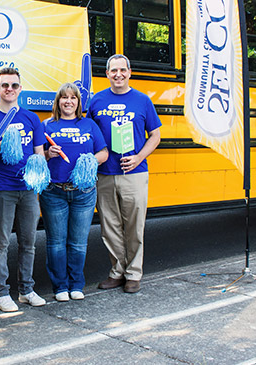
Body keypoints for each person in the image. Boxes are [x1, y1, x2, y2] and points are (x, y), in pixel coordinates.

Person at [86, 54, 161, 294]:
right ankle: (117, 272)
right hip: (105, 173)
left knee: (134, 225)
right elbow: (88, 133)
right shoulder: (97, 101)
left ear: (129, 72)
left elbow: (156, 135)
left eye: (122, 70)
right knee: (110, 226)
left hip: (134, 172)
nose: (118, 74)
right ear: (106, 74)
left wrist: (139, 157)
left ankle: (134, 274)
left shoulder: (142, 101)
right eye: (113, 71)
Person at [0, 67, 46, 312]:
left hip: (28, 190)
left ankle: (26, 290)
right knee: (0, 242)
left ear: (20, 89)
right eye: (5, 85)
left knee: (29, 242)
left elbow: (38, 154)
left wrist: (38, 174)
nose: (10, 89)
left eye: (14, 85)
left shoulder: (31, 118)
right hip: (1, 189)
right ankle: (1, 293)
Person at [41, 82, 108, 302]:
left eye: (73, 98)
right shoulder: (47, 126)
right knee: (56, 242)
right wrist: (48, 153)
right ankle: (60, 286)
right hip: (54, 191)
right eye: (64, 97)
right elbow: (37, 156)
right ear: (57, 101)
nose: (68, 101)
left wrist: (91, 160)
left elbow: (104, 153)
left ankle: (76, 284)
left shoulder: (89, 125)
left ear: (79, 102)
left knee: (78, 242)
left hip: (84, 192)